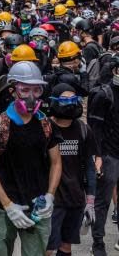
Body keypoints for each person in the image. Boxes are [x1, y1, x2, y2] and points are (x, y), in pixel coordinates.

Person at [0, 61, 62, 256]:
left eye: (37, 90)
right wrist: (8, 205)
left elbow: (56, 162)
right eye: (25, 90)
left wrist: (50, 196)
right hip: (4, 207)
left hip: (38, 206)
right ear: (12, 90)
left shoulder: (46, 124)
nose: (32, 97)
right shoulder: (0, 125)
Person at [47, 83, 98, 256]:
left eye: (73, 99)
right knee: (47, 248)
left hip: (75, 198)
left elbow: (90, 167)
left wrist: (90, 200)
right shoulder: (45, 128)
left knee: (65, 247)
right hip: (51, 200)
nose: (69, 104)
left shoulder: (84, 130)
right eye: (64, 100)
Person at [87, 55, 119, 256]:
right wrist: (97, 156)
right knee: (103, 202)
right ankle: (98, 243)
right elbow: (94, 130)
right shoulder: (104, 95)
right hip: (108, 155)